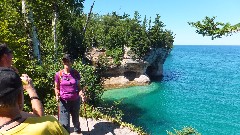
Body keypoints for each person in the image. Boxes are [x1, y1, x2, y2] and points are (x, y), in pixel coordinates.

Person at [0, 67, 69, 134]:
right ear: (19, 98)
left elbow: (38, 116)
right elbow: (40, 118)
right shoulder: (50, 126)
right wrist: (31, 89)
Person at [0, 43, 44, 117]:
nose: (12, 56)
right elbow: (40, 117)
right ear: (5, 56)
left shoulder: (10, 74)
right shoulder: (9, 78)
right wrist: (30, 89)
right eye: (10, 53)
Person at [54, 54, 86, 133]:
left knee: (76, 119)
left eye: (68, 61)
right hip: (63, 102)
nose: (66, 63)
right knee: (64, 123)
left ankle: (77, 131)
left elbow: (78, 87)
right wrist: (56, 95)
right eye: (65, 61)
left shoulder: (75, 73)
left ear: (71, 62)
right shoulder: (58, 75)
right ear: (63, 62)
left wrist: (82, 94)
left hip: (75, 100)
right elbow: (56, 87)